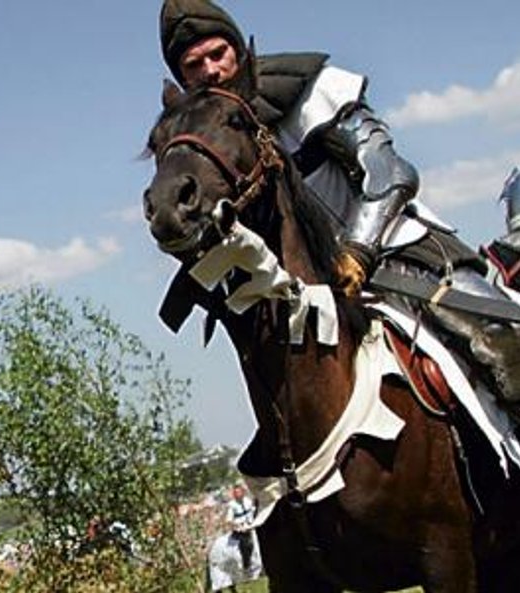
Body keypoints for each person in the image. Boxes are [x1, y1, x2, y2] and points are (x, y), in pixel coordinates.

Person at [158, 0, 520, 415]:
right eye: (193, 65)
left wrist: (358, 251)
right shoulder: (202, 147)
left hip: (391, 251)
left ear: (238, 51)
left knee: (503, 338)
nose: (210, 71)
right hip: (301, 293)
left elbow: (390, 173)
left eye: (217, 54)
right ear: (181, 79)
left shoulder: (307, 90)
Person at [225, 484, 256, 572]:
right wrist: (238, 526)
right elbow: (229, 520)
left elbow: (252, 511)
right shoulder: (232, 505)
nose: (237, 494)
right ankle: (247, 565)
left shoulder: (248, 501)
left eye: (238, 492)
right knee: (247, 544)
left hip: (250, 525)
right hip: (240, 529)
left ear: (242, 492)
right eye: (235, 493)